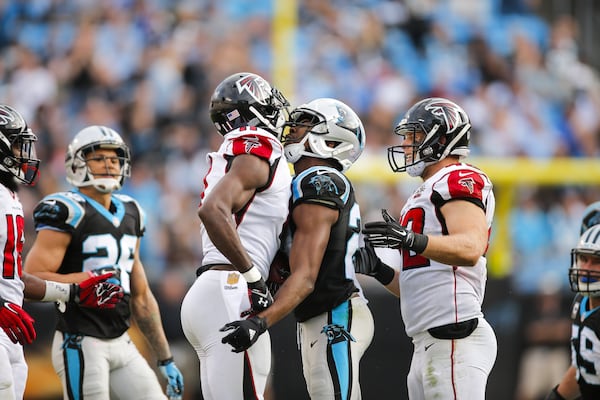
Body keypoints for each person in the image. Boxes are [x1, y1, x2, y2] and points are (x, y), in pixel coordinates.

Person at [220, 97, 374, 399]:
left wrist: (259, 322)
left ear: (330, 139)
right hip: (320, 314)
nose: (292, 129)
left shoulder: (317, 181)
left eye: (304, 124)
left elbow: (305, 276)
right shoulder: (301, 181)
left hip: (335, 311)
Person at [24, 125, 184, 400]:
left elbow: (142, 297)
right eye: (99, 158)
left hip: (123, 340)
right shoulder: (66, 210)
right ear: (77, 163)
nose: (109, 165)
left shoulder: (132, 212)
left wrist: (165, 358)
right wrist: (83, 283)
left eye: (114, 159)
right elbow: (31, 279)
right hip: (81, 341)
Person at [354, 97, 497, 399]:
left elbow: (471, 247)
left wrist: (410, 239)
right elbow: (419, 286)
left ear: (442, 139)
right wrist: (379, 270)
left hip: (454, 337)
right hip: (428, 343)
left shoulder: (458, 177)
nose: (406, 145)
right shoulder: (425, 190)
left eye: (414, 136)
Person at [179, 71, 291, 400]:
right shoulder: (259, 147)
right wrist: (254, 278)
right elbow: (213, 210)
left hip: (215, 290)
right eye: (268, 106)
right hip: (231, 292)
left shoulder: (237, 152)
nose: (275, 113)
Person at [0, 106, 124, 400]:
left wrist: (74, 291)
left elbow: (13, 278)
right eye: (17, 144)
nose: (23, 153)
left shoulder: (10, 197)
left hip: (9, 332)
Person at [545, 205, 600, 400]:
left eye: (595, 261)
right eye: (583, 259)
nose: (586, 268)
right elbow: (583, 367)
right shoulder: (581, 302)